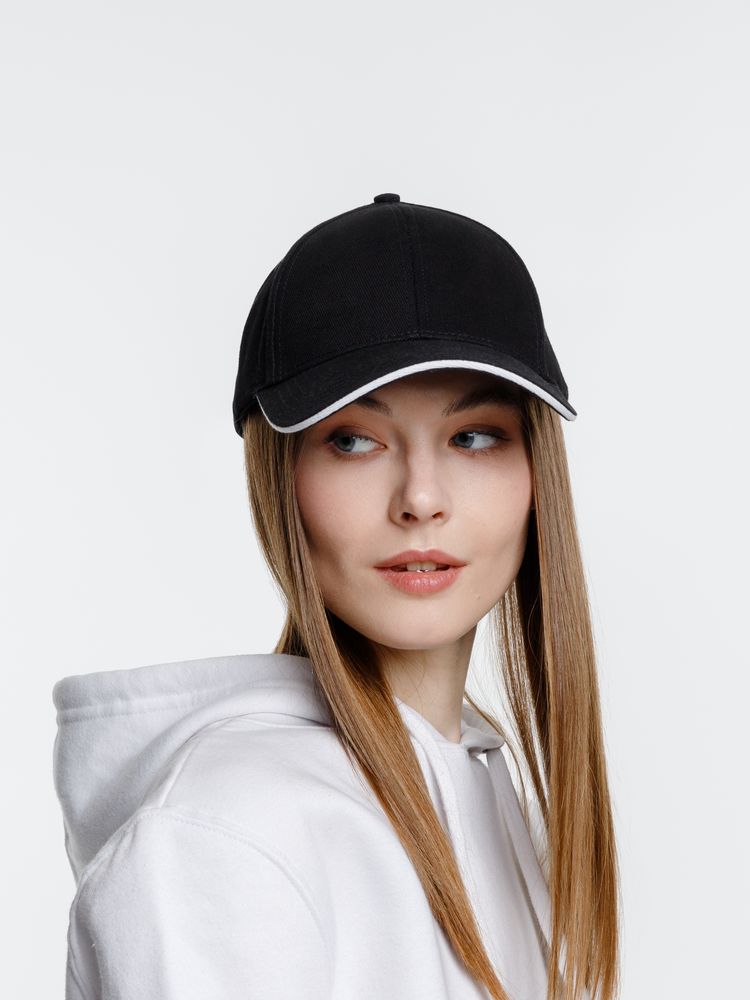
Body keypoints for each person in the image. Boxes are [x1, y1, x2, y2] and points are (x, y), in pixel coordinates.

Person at [52, 193, 621, 1000]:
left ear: (537, 473)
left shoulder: (487, 792)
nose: (421, 498)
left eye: (473, 436)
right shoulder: (225, 838)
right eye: (353, 440)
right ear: (276, 478)